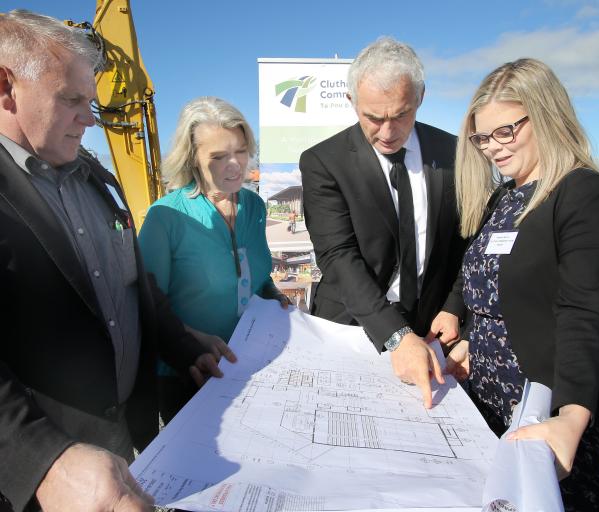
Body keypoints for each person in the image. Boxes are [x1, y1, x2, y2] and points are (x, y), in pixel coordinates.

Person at [0, 10, 230, 512]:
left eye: (92, 100)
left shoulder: (94, 176)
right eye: (72, 99)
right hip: (43, 484)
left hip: (131, 442)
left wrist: (182, 341)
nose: (91, 117)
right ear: (5, 86)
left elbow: (134, 282)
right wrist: (41, 460)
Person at [449, 58, 599, 510]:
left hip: (553, 406)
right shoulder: (503, 197)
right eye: (483, 137)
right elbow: (498, 285)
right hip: (491, 401)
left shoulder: (584, 192)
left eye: (505, 132)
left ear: (546, 115)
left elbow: (581, 310)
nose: (492, 148)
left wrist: (571, 417)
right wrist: (471, 337)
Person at [300, 37, 467, 408]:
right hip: (352, 326)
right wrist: (395, 335)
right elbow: (338, 255)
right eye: (373, 118)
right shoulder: (323, 162)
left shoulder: (455, 153)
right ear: (351, 102)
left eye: (401, 115)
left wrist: (455, 305)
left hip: (432, 329)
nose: (388, 132)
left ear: (420, 97)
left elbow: (465, 242)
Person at [139, 97, 289, 423]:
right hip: (189, 373)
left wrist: (275, 296)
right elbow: (147, 302)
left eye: (240, 150)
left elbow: (257, 276)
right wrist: (191, 339)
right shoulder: (166, 216)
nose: (235, 164)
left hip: (248, 365)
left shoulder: (255, 206)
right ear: (193, 159)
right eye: (219, 156)